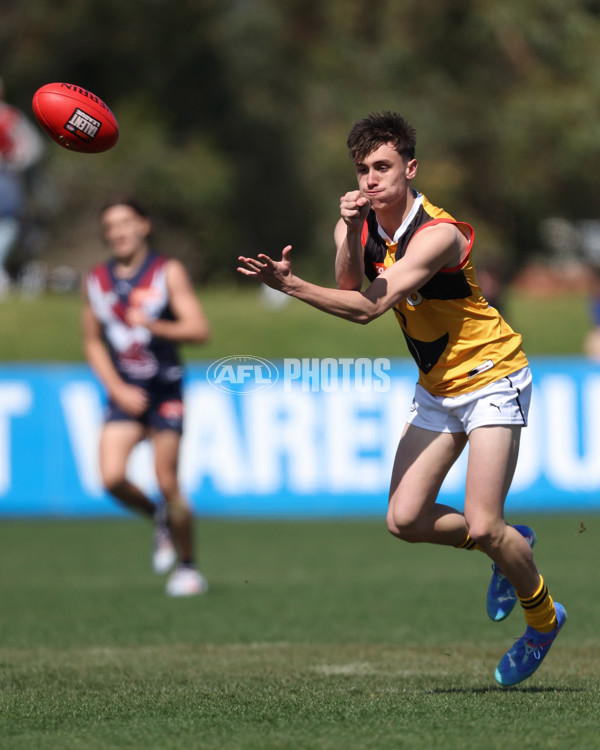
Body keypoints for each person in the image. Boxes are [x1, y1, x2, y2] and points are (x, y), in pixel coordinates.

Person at [238, 111, 566, 686]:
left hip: (492, 374)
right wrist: (344, 234)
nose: (371, 179)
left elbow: (367, 309)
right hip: (438, 389)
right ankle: (511, 548)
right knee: (404, 518)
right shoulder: (360, 222)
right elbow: (347, 286)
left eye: (383, 167)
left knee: (486, 524)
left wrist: (288, 285)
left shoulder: (439, 233)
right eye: (363, 169)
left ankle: (542, 620)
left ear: (410, 168)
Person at [82, 197, 211, 597]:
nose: (118, 232)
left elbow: (198, 329)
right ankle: (157, 518)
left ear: (144, 225)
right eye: (110, 226)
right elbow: (92, 342)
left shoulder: (166, 272)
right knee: (112, 478)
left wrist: (155, 324)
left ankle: (188, 567)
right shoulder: (96, 281)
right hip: (125, 393)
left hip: (164, 390)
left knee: (167, 480)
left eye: (125, 222)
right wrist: (116, 387)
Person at [0, 76, 44, 294]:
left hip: (5, 175)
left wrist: (15, 161)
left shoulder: (9, 117)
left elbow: (32, 146)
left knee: (9, 222)